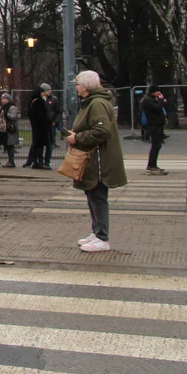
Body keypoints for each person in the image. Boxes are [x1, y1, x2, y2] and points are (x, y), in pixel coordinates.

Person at [67, 70, 127, 252]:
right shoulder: (93, 102)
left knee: (98, 196)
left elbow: (101, 131)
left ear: (85, 87)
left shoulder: (97, 104)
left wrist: (78, 138)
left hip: (99, 160)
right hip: (94, 158)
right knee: (92, 195)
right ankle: (97, 232)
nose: (76, 88)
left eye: (77, 85)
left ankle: (102, 237)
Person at [141, 85, 168, 174]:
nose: (159, 93)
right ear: (154, 91)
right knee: (155, 145)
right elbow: (157, 108)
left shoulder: (152, 99)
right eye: (158, 91)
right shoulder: (148, 100)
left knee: (157, 145)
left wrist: (160, 101)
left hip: (158, 125)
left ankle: (153, 164)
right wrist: (161, 101)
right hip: (154, 125)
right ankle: (151, 165)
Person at [24, 86, 52, 169]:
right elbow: (43, 115)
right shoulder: (39, 102)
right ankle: (40, 162)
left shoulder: (32, 102)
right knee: (40, 145)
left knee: (36, 144)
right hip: (41, 127)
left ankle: (35, 162)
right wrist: (49, 120)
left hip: (35, 126)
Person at [0, 93, 20, 168]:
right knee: (6, 145)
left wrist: (6, 114)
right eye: (2, 99)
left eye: (4, 99)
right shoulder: (1, 108)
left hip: (10, 129)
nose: (2, 100)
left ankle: (11, 161)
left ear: (8, 99)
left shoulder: (12, 107)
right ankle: (9, 161)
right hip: (3, 129)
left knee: (10, 145)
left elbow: (13, 117)